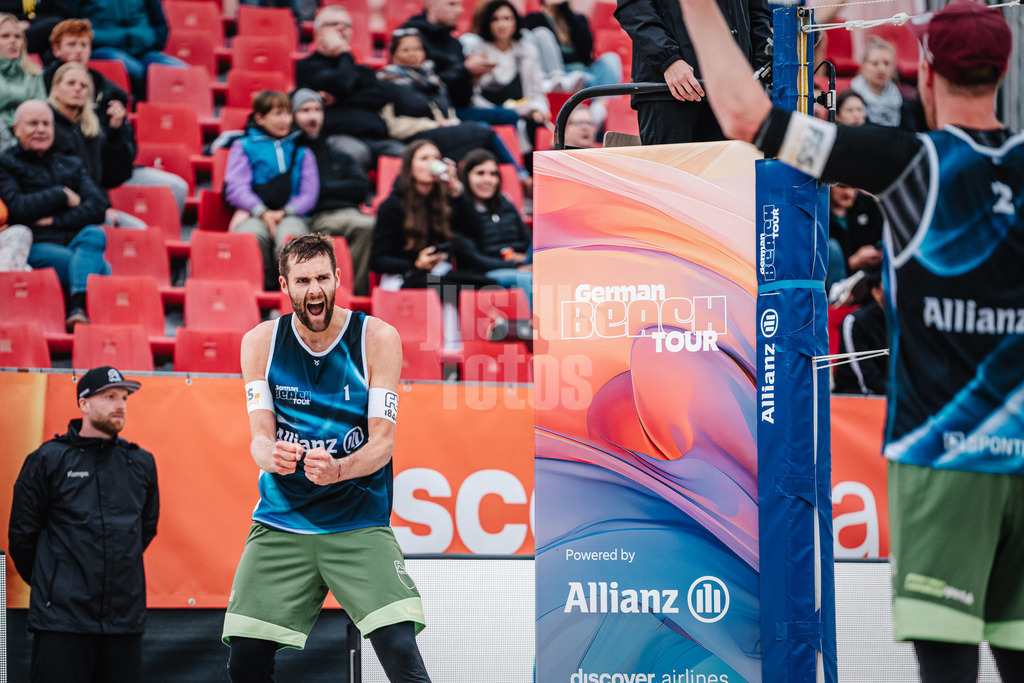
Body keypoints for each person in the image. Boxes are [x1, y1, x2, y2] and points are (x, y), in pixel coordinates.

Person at [677, 0, 1024, 679]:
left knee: (947, 668)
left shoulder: (906, 161)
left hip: (944, 458)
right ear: (1005, 68)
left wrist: (696, 6)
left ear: (924, 72)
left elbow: (751, 121)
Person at [222, 233, 431, 683]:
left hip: (358, 521)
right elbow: (259, 439)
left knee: (402, 657)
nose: (314, 290)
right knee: (245, 662)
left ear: (338, 277)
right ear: (284, 284)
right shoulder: (260, 341)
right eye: (302, 280)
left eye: (322, 277)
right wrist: (273, 456)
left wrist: (338, 470)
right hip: (281, 521)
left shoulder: (376, 337)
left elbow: (382, 444)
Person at [9, 365, 159, 683]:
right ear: (84, 403)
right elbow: (22, 535)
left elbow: (145, 529)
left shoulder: (141, 463)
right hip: (62, 621)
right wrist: (55, 584)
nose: (120, 404)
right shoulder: (47, 459)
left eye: (123, 397)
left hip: (123, 620)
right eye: (109, 397)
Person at [43, 18, 190, 213]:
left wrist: (115, 132)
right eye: (72, 44)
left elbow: (126, 158)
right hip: (68, 184)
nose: (78, 50)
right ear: (56, 50)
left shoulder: (111, 93)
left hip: (107, 172)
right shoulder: (40, 87)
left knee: (177, 187)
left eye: (84, 44)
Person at [0, 99, 108, 329]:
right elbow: (19, 208)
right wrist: (61, 195)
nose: (41, 129)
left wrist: (55, 219)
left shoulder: (70, 162)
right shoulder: (5, 163)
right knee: (101, 269)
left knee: (95, 233)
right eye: (33, 123)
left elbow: (98, 206)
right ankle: (79, 304)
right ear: (17, 129)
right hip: (36, 244)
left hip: (74, 239)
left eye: (46, 124)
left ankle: (78, 305)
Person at [615, 0, 771, 146]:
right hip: (668, 89)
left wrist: (761, 62)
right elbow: (633, 7)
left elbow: (757, 13)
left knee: (729, 173)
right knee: (669, 174)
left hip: (732, 91)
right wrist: (668, 60)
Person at [377, 27, 525, 172]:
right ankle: (520, 175)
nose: (413, 54)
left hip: (442, 130)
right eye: (406, 50)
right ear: (393, 54)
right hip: (415, 136)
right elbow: (391, 125)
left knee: (482, 138)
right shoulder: (385, 80)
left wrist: (449, 122)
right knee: (482, 131)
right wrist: (433, 124)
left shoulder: (431, 78)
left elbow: (448, 111)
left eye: (417, 49)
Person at [370, 139, 494, 294]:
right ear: (410, 166)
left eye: (436, 158)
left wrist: (456, 191)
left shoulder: (445, 201)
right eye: (424, 158)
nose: (431, 163)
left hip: (438, 274)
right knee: (445, 289)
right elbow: (377, 260)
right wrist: (416, 263)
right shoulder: (392, 206)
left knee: (487, 284)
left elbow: (476, 232)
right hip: (403, 276)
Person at [225, 89, 318, 290]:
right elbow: (236, 186)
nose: (285, 120)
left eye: (287, 113)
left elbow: (309, 194)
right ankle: (258, 292)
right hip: (252, 212)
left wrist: (283, 213)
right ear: (260, 118)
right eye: (277, 114)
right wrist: (262, 212)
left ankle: (288, 296)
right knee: (250, 235)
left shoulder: (302, 149)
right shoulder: (243, 146)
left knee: (291, 239)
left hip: (292, 213)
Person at [295, 6, 404, 174]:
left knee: (406, 154)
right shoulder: (307, 67)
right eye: (334, 24)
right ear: (317, 32)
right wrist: (344, 53)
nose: (341, 28)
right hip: (339, 137)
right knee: (354, 154)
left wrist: (339, 99)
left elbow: (381, 96)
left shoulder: (362, 69)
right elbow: (342, 83)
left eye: (347, 25)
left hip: (376, 138)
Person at [291, 88, 375, 297]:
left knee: (370, 225)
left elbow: (360, 187)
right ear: (292, 115)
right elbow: (308, 193)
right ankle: (346, 293)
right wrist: (331, 189)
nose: (312, 116)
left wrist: (323, 189)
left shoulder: (337, 152)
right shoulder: (293, 150)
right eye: (305, 110)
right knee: (366, 225)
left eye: (317, 109)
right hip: (318, 216)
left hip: (348, 212)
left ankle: (350, 294)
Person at [401, 0, 518, 125]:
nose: (460, 10)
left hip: (455, 110)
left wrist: (472, 78)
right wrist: (465, 70)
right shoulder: (410, 39)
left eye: (460, 5)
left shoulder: (454, 44)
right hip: (426, 116)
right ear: (432, 5)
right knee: (482, 128)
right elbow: (418, 88)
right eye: (452, 4)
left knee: (510, 115)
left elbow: (462, 100)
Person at [66, 0, 185, 101]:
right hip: (103, 48)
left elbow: (159, 22)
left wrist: (153, 41)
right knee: (134, 70)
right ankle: (143, 110)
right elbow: (71, 22)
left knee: (181, 71)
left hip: (143, 51)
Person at [458, 148, 533, 307]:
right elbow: (473, 258)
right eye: (480, 173)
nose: (488, 180)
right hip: (487, 270)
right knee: (528, 279)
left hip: (521, 261)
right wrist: (517, 266)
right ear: (467, 177)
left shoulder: (504, 202)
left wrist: (521, 258)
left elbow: (527, 239)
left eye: (493, 174)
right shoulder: (461, 210)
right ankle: (540, 329)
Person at [460, 0, 550, 130]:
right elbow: (473, 95)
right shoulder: (476, 50)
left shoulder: (527, 50)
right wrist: (498, 112)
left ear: (515, 22)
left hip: (524, 113)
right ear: (487, 23)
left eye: (507, 18)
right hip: (489, 114)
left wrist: (536, 110)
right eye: (495, 19)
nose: (501, 24)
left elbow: (536, 90)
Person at [522, 0, 622, 89]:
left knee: (612, 58)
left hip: (583, 72)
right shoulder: (533, 18)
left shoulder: (578, 18)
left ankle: (601, 104)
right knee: (541, 33)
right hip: (559, 74)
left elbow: (586, 51)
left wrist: (565, 10)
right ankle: (558, 79)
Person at [849, 35, 924, 131]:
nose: (882, 69)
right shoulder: (849, 102)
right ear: (863, 66)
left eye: (886, 63)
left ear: (893, 67)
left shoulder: (904, 105)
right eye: (875, 63)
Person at [832, 271, 888, 396]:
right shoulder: (855, 322)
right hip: (854, 398)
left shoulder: (909, 319)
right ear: (876, 292)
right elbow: (867, 378)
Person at [0, 13, 45, 142]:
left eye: (18, 36)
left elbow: (40, 112)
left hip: (30, 139)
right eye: (5, 36)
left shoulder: (35, 73)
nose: (13, 41)